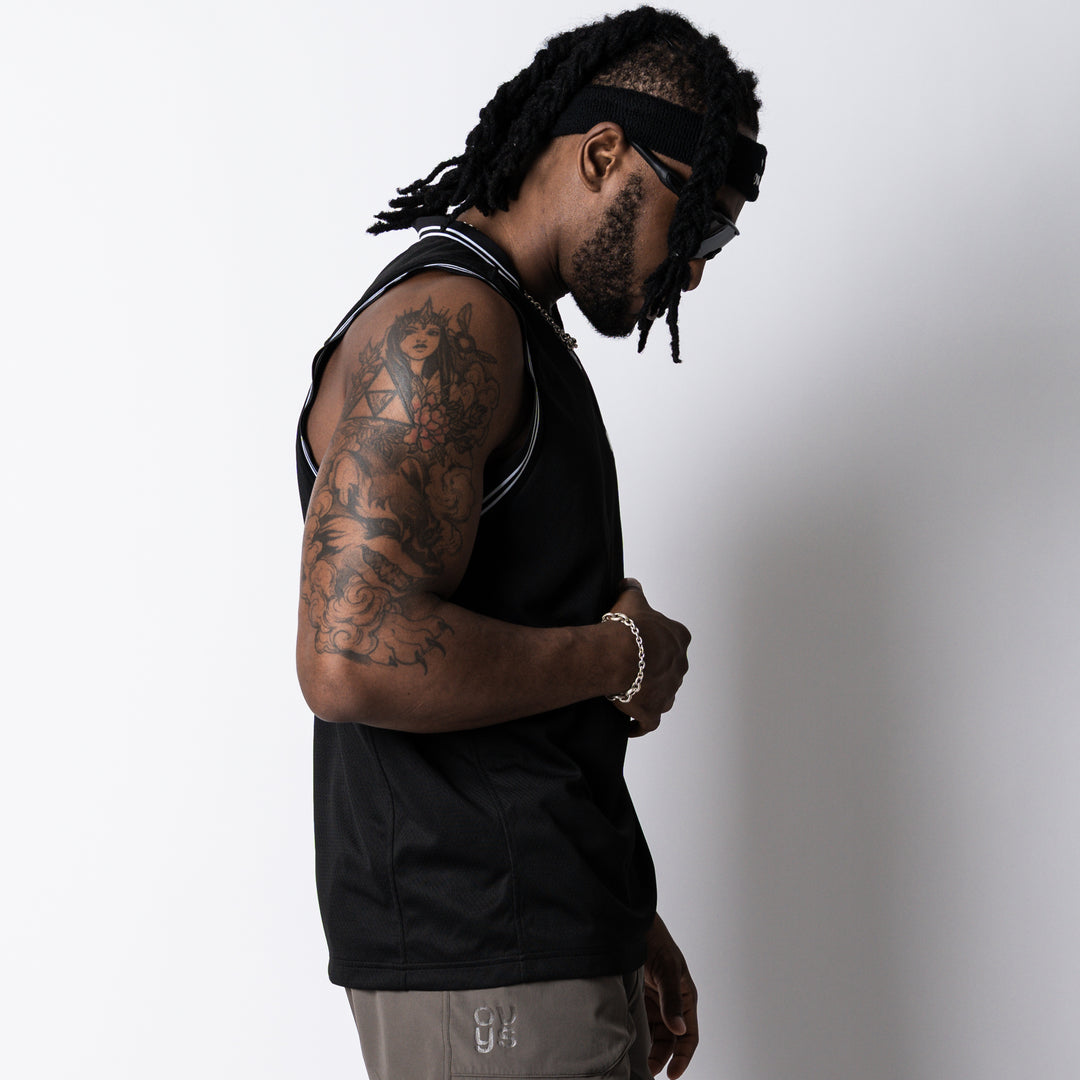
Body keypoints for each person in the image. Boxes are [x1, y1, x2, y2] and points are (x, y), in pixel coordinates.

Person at [295, 7, 766, 1078]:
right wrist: (621, 654)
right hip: (482, 952)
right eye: (694, 225)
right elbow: (349, 652)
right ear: (603, 155)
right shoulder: (450, 327)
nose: (694, 271)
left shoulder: (512, 328)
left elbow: (512, 665)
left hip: (538, 933)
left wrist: (618, 908)